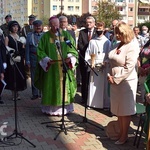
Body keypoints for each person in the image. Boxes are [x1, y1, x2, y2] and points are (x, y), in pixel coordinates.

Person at [34, 16, 78, 116]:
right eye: (53, 26)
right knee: (51, 87)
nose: (55, 28)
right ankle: (51, 109)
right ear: (49, 26)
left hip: (64, 67)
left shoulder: (66, 35)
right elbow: (40, 51)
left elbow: (73, 49)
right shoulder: (45, 37)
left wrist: (70, 58)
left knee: (65, 87)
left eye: (57, 25)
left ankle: (65, 108)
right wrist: (46, 60)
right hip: (51, 69)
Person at [107, 21, 140, 144]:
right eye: (116, 33)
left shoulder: (132, 45)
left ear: (126, 33)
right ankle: (120, 132)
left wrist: (115, 79)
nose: (117, 36)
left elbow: (129, 67)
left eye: (119, 34)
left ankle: (124, 136)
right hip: (115, 82)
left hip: (126, 82)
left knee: (125, 111)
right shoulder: (119, 44)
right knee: (119, 110)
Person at [85, 21, 111, 109]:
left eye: (100, 29)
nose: (98, 30)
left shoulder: (107, 42)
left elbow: (109, 55)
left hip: (104, 66)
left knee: (103, 86)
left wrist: (105, 62)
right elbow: (88, 53)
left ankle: (104, 104)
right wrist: (90, 63)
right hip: (94, 66)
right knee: (93, 84)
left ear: (103, 30)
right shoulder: (92, 41)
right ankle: (92, 104)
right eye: (97, 29)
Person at [77, 16, 98, 103]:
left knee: (92, 79)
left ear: (94, 23)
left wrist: (92, 53)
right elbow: (80, 44)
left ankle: (92, 97)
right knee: (84, 79)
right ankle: (84, 98)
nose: (88, 24)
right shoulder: (82, 32)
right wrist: (88, 52)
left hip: (94, 59)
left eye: (90, 22)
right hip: (84, 59)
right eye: (87, 22)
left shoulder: (97, 32)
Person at [5, 21, 27, 100]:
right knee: (12, 76)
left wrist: (21, 53)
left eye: (17, 27)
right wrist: (13, 53)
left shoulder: (21, 38)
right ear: (10, 28)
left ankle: (17, 92)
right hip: (12, 60)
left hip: (19, 60)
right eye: (14, 27)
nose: (15, 28)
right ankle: (13, 93)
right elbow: (6, 48)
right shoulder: (8, 37)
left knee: (18, 75)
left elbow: (23, 48)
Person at [25, 20, 44, 100]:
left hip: (43, 59)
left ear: (42, 26)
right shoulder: (30, 35)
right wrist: (27, 61)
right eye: (36, 26)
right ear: (34, 27)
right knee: (33, 77)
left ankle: (41, 93)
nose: (38, 27)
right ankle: (35, 93)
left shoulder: (45, 35)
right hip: (33, 58)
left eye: (39, 26)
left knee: (42, 77)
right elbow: (27, 49)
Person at [0, 29, 7, 104]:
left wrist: (4, 61)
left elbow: (3, 50)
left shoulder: (1, 34)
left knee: (1, 77)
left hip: (0, 60)